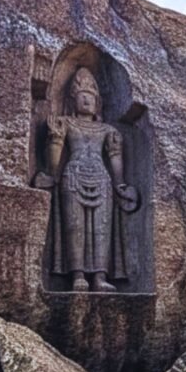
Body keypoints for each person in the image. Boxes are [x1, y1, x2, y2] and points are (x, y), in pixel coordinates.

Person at [45, 67, 136, 292]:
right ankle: (78, 275)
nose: (87, 100)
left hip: (102, 179)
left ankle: (99, 277)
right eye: (82, 96)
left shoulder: (107, 129)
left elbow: (115, 158)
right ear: (72, 99)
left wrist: (120, 184)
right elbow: (55, 151)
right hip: (72, 177)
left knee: (102, 228)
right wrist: (53, 171)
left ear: (98, 102)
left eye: (91, 97)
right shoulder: (65, 123)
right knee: (75, 227)